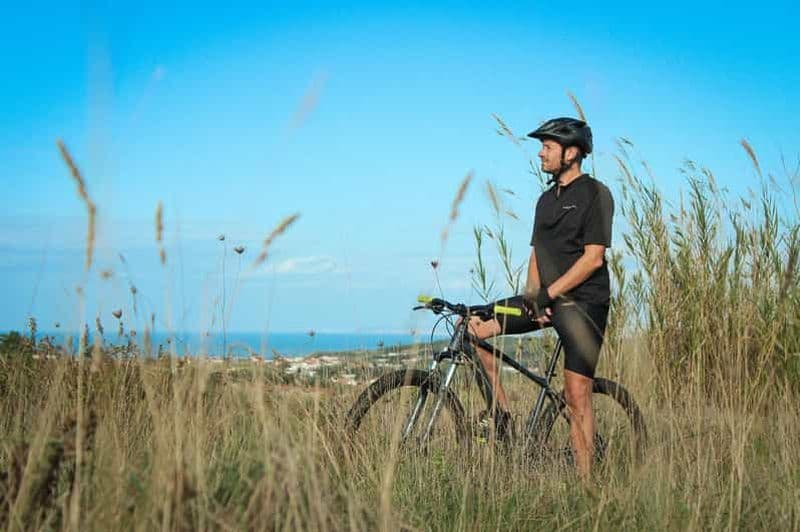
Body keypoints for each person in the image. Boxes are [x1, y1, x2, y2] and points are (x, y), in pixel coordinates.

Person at [466, 117, 614, 479]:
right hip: (544, 298)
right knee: (472, 327)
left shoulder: (596, 194)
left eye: (548, 147)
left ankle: (587, 487)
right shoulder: (546, 200)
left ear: (572, 153)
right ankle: (502, 418)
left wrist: (548, 294)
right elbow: (537, 255)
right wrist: (533, 297)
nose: (541, 153)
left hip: (584, 305)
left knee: (576, 393)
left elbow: (593, 258)